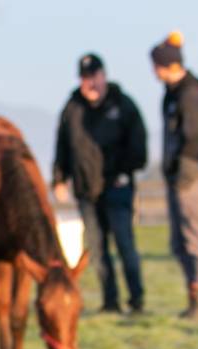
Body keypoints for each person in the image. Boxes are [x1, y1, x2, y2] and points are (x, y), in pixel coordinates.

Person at [53, 53, 148, 314]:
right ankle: (110, 301)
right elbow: (62, 144)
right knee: (96, 249)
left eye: (94, 77)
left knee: (124, 244)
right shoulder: (72, 108)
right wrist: (59, 178)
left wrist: (124, 171)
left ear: (103, 76)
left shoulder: (123, 105)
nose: (90, 84)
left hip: (117, 188)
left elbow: (139, 144)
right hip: (86, 191)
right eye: (85, 79)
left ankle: (136, 299)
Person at [151, 31, 198, 321]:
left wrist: (185, 176)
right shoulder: (174, 92)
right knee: (180, 241)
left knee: (197, 239)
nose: (154, 72)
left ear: (168, 65)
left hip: (193, 178)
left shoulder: (191, 94)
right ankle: (194, 297)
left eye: (156, 66)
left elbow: (194, 138)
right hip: (180, 176)